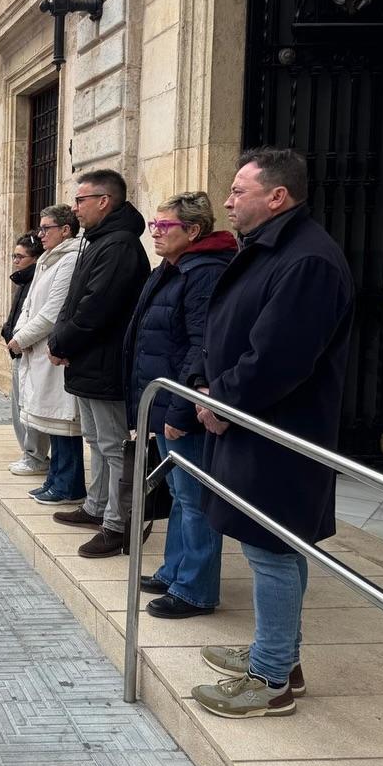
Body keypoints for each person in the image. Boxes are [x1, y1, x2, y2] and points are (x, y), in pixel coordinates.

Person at [187, 149, 353, 718]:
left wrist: (224, 401)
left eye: (238, 191)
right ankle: (280, 654)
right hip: (259, 426)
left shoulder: (307, 260)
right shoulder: (273, 247)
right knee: (278, 545)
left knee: (271, 549)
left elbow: (279, 357)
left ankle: (271, 680)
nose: (227, 200)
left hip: (278, 431)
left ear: (277, 196)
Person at [123, 192, 236, 619]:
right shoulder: (173, 268)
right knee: (177, 492)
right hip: (163, 400)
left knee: (194, 499)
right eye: (154, 224)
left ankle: (196, 590)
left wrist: (179, 410)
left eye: (164, 226)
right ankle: (175, 571)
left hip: (179, 405)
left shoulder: (204, 273)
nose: (155, 232)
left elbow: (200, 346)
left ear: (193, 230)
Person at [47, 169, 150, 558]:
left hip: (105, 362)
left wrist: (62, 341)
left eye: (80, 200)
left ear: (104, 201)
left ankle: (118, 524)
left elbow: (96, 307)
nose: (75, 208)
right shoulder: (99, 240)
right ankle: (96, 506)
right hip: (87, 360)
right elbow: (76, 301)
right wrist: (63, 341)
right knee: (96, 439)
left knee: (113, 445)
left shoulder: (119, 245)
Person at [9, 207, 84, 506]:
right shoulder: (48, 259)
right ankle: (55, 479)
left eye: (46, 229)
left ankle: (68, 485)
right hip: (35, 351)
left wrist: (20, 339)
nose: (40, 235)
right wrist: (18, 333)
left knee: (62, 421)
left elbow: (53, 311)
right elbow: (28, 305)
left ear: (65, 230)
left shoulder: (70, 259)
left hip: (52, 352)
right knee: (50, 420)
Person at [1, 233, 49, 476]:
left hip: (29, 351)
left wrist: (20, 339)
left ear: (35, 258)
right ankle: (29, 453)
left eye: (20, 256)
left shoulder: (37, 280)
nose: (15, 261)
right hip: (18, 349)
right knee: (19, 406)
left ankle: (35, 455)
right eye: (14, 256)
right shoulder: (23, 280)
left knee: (29, 408)